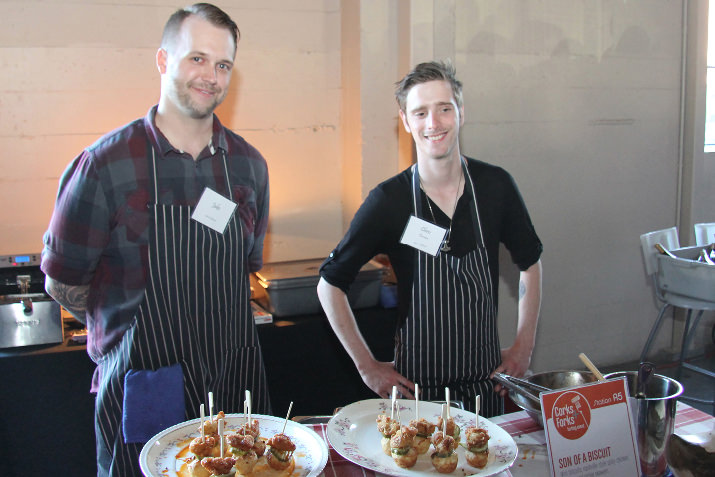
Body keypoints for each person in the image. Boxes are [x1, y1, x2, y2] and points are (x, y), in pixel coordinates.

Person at [41, 4, 271, 475]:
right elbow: (63, 285)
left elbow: (246, 267)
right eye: (197, 59)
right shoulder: (105, 166)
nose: (210, 75)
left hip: (233, 384)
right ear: (164, 60)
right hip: (146, 390)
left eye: (223, 64)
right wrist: (123, 335)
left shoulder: (249, 167)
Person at [317, 60, 543, 417]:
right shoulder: (389, 201)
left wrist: (523, 347)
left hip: (487, 393)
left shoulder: (495, 186)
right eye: (420, 113)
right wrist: (367, 366)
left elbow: (530, 262)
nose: (433, 123)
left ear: (461, 113)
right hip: (416, 400)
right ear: (406, 122)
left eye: (444, 109)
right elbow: (330, 283)